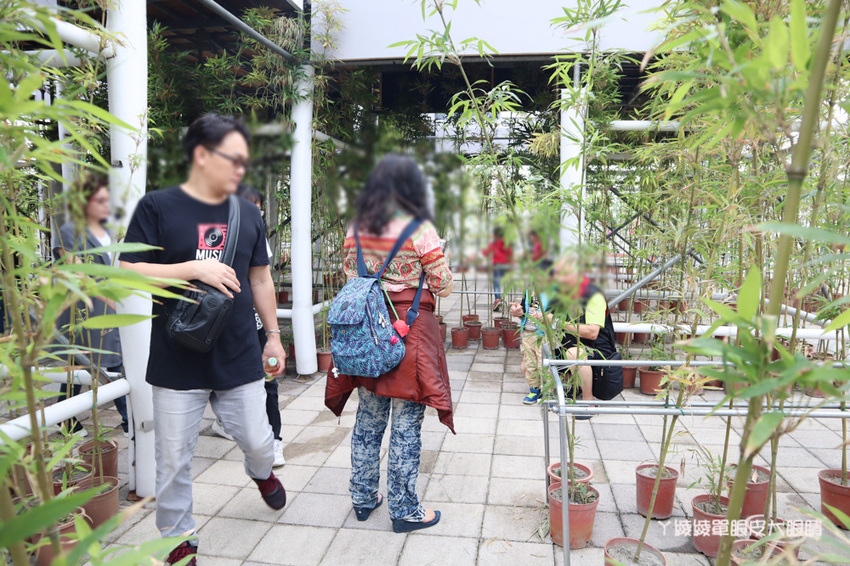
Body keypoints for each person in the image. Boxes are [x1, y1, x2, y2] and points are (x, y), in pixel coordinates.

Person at [119, 113, 287, 566]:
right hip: (177, 356)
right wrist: (192, 268)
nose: (240, 168)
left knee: (258, 438)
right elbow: (127, 269)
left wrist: (273, 337)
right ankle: (178, 540)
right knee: (172, 460)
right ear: (200, 155)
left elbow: (261, 280)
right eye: (232, 158)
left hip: (238, 354)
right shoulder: (157, 206)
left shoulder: (249, 213)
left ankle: (261, 471)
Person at [324, 154, 454, 533]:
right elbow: (443, 284)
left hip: (367, 333)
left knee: (368, 417)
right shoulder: (419, 227)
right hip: (407, 330)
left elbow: (354, 278)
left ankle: (363, 498)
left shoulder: (355, 227)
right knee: (406, 422)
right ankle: (404, 509)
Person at [210, 183, 285, 468]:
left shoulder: (256, 232)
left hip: (252, 323)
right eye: (249, 206)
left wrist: (272, 332)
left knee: (268, 381)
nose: (256, 212)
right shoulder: (210, 230)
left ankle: (274, 441)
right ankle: (223, 423)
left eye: (258, 207)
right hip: (215, 322)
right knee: (216, 380)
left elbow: (262, 281)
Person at [53, 172, 128, 436]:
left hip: (110, 305)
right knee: (86, 362)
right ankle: (127, 418)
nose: (106, 206)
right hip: (84, 308)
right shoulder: (69, 231)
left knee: (113, 360)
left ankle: (67, 416)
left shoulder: (112, 229)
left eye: (108, 200)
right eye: (100, 201)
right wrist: (112, 300)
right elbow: (78, 273)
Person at [553, 256, 623, 417]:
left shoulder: (593, 296)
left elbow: (592, 333)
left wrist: (560, 323)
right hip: (575, 345)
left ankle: (588, 401)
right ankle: (567, 389)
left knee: (573, 353)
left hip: (598, 350)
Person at [509, 259, 553, 406]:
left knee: (543, 364)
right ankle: (534, 389)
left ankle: (548, 392)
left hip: (543, 334)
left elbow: (556, 315)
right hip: (527, 332)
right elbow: (523, 310)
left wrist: (544, 317)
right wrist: (518, 310)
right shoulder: (529, 291)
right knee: (530, 363)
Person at [482, 227, 512, 310]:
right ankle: (502, 299)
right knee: (503, 283)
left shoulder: (494, 243)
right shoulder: (506, 243)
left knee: (496, 283)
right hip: (505, 265)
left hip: (497, 265)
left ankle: (498, 299)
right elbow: (510, 253)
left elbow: (485, 253)